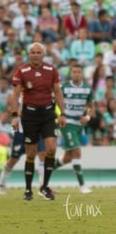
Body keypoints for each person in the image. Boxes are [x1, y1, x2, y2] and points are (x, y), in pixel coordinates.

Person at [10, 42, 66, 201]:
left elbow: (57, 92)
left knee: (51, 149)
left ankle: (44, 187)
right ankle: (28, 190)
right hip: (30, 115)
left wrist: (62, 113)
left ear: (43, 54)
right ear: (29, 54)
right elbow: (15, 95)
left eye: (38, 52)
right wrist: (15, 116)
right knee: (31, 153)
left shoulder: (51, 70)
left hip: (48, 114)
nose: (35, 55)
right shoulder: (22, 71)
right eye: (33, 52)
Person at [54, 64, 94, 194]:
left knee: (68, 158)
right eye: (74, 72)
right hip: (67, 123)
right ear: (71, 74)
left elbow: (91, 106)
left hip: (79, 125)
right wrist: (61, 115)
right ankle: (82, 186)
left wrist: (87, 117)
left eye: (79, 72)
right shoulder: (64, 87)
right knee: (77, 152)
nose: (76, 74)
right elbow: (57, 103)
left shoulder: (87, 89)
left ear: (82, 74)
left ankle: (46, 169)